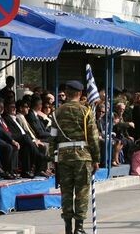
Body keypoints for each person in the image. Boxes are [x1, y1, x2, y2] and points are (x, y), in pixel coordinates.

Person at [52, 80, 100, 234]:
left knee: (66, 192)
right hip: (82, 157)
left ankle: (67, 227)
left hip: (63, 158)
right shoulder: (85, 111)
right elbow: (93, 137)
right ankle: (79, 227)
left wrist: (52, 160)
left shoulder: (56, 112)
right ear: (79, 94)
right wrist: (96, 158)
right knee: (82, 192)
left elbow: (52, 138)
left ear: (66, 92)